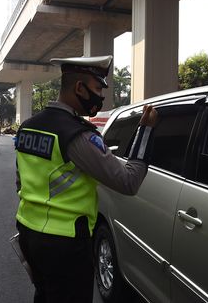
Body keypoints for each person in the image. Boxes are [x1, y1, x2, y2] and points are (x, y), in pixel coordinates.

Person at [14, 55, 158, 303]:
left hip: (28, 231)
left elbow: (21, 181)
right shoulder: (76, 135)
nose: (101, 96)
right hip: (65, 242)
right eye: (98, 87)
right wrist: (145, 131)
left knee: (45, 295)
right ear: (79, 87)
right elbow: (128, 182)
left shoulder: (28, 126)